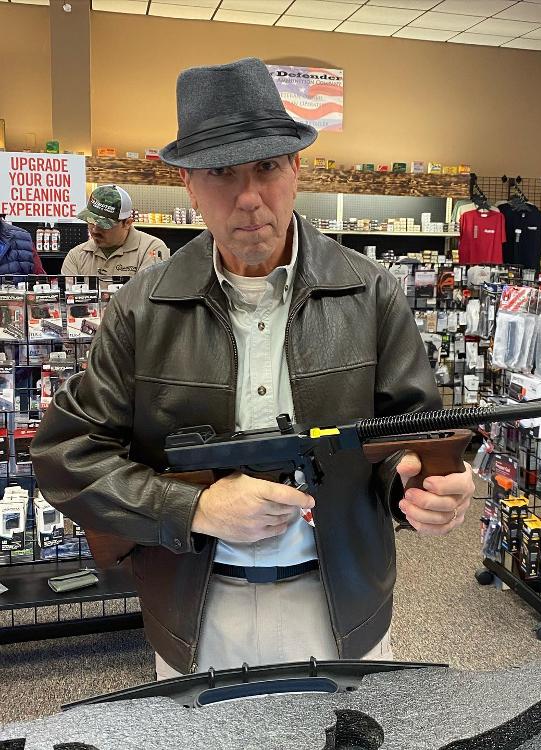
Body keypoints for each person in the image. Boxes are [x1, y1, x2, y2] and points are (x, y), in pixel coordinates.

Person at [31, 57, 474, 678]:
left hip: (343, 606)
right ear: (187, 182)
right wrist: (194, 508)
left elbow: (413, 437)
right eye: (220, 172)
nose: (248, 198)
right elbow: (66, 455)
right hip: (195, 615)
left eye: (266, 166)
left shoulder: (373, 293)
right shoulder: (142, 306)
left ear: (296, 168)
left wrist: (427, 490)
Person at [61, 185, 169, 279]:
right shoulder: (76, 256)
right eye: (90, 221)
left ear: (127, 223)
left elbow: (146, 296)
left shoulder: (152, 250)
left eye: (103, 225)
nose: (94, 229)